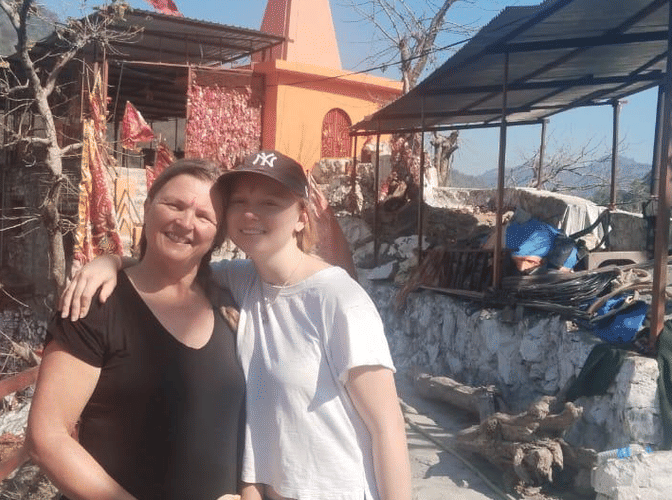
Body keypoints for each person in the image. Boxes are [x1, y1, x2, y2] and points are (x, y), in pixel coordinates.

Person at [62, 151, 411, 500]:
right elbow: (171, 265)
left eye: (269, 203)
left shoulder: (338, 299)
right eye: (239, 201)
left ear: (301, 217)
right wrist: (111, 262)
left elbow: (387, 427)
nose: (249, 214)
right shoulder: (241, 281)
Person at [27, 159, 246, 500]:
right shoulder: (97, 304)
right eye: (174, 205)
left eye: (204, 216)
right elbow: (46, 437)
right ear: (147, 207)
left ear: (218, 233)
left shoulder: (228, 305)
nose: (185, 222)